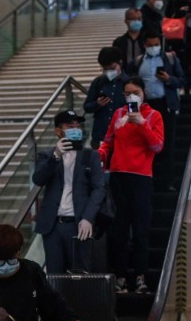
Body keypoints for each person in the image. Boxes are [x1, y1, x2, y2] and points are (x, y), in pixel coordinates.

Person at [98, 77, 164, 295]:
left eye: (135, 92)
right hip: (118, 176)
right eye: (127, 93)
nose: (131, 96)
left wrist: (142, 124)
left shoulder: (154, 115)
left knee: (141, 232)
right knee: (119, 232)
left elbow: (157, 146)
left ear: (144, 92)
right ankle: (121, 278)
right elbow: (108, 141)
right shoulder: (118, 114)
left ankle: (140, 277)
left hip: (142, 178)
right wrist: (101, 155)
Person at [33, 109, 107, 274]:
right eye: (69, 125)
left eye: (78, 125)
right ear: (58, 131)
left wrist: (88, 217)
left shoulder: (90, 155)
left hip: (79, 223)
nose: (75, 128)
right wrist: (56, 156)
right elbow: (38, 179)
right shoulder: (47, 155)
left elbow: (99, 188)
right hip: (52, 226)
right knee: (55, 275)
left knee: (80, 275)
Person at [134, 32, 184, 184]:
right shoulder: (137, 62)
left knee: (167, 143)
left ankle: (168, 181)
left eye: (156, 44)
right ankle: (150, 178)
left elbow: (182, 80)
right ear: (144, 45)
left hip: (166, 105)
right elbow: (130, 85)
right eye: (150, 45)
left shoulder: (169, 58)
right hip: (146, 107)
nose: (154, 47)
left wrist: (169, 79)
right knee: (146, 143)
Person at [83, 46, 127, 149]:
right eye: (105, 69)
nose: (108, 72)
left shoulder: (128, 82)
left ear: (120, 63)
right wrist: (97, 104)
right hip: (101, 135)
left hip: (122, 134)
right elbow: (87, 107)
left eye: (112, 68)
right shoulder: (98, 83)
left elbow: (134, 106)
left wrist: (127, 115)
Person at [113, 8, 146, 75]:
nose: (137, 21)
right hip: (125, 76)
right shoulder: (118, 42)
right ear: (126, 21)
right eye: (133, 19)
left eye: (139, 19)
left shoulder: (147, 39)